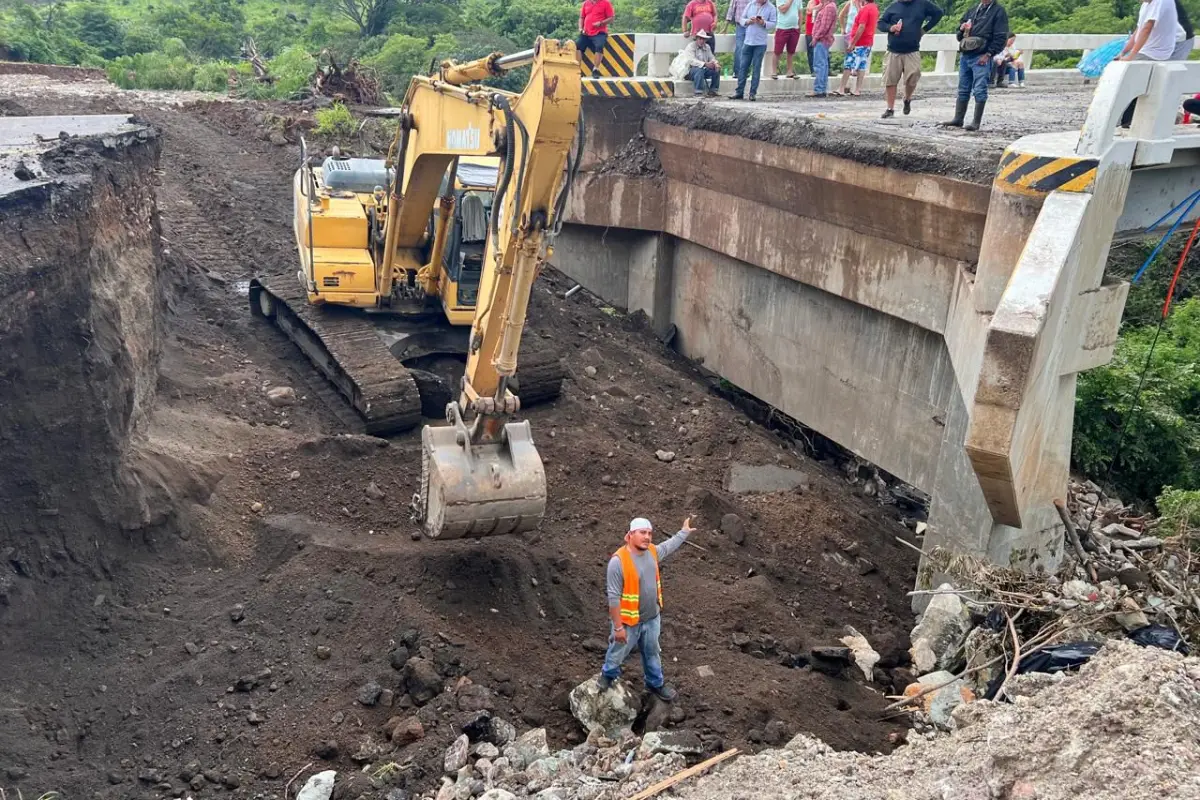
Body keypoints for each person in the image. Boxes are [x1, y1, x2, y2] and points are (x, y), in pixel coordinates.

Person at [598, 516, 695, 701]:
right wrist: (618, 628)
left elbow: (668, 546)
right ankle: (607, 675)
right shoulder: (619, 562)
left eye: (649, 533)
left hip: (651, 618)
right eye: (643, 533)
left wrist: (683, 533)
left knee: (652, 653)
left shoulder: (651, 551)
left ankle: (655, 684)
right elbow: (613, 598)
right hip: (628, 622)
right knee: (618, 652)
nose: (647, 537)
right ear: (630, 535)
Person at [941, 0, 1008, 131]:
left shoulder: (998, 11)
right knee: (963, 88)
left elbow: (1000, 37)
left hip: (982, 55)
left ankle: (975, 122)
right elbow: (959, 36)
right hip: (966, 54)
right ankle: (958, 119)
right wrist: (962, 29)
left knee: (980, 88)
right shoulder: (972, 10)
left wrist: (989, 54)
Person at [1116, 0, 1180, 127]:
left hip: (1154, 52)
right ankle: (1126, 121)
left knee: (1128, 85)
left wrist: (1132, 56)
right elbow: (1138, 31)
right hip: (1145, 49)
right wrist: (1124, 52)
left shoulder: (1161, 1)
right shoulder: (1146, 5)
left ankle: (1125, 122)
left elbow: (1147, 28)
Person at [877, 0, 944, 118]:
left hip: (912, 50)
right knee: (890, 80)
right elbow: (880, 23)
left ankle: (907, 99)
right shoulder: (894, 6)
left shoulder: (922, 4)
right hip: (893, 50)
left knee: (913, 77)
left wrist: (924, 29)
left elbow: (938, 13)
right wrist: (891, 28)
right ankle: (890, 108)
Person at [732, 0, 778, 100]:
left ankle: (752, 93)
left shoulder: (771, 8)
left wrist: (763, 22)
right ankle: (739, 92)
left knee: (756, 68)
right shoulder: (750, 4)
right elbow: (741, 19)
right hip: (748, 41)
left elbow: (773, 23)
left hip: (760, 42)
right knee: (743, 67)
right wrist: (749, 21)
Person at [837, 0, 877, 95]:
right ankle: (857, 90)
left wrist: (853, 43)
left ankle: (841, 88)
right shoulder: (874, 8)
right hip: (868, 40)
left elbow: (861, 27)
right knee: (862, 65)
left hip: (859, 41)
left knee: (848, 63)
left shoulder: (865, 9)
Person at [670, 29, 722, 96]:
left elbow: (711, 57)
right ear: (696, 39)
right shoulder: (691, 46)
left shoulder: (707, 47)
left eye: (703, 39)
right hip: (690, 71)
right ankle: (698, 92)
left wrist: (715, 63)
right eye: (700, 39)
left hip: (704, 69)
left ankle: (713, 90)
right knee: (699, 70)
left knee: (716, 69)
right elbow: (691, 60)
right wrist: (704, 64)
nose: (701, 41)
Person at [577, 0, 615, 78]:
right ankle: (577, 69)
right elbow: (581, 17)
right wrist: (580, 28)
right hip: (586, 32)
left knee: (599, 46)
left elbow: (611, 18)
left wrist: (601, 23)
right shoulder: (586, 3)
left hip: (599, 32)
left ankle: (595, 69)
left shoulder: (606, 3)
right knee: (578, 46)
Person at [809, 0, 838, 96]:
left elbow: (824, 26)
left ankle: (819, 89)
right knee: (823, 65)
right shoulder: (828, 6)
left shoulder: (829, 7)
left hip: (822, 40)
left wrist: (815, 38)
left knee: (819, 65)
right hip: (823, 40)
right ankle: (821, 89)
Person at [724, 0, 754, 82]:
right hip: (740, 26)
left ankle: (746, 72)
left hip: (751, 26)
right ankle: (737, 72)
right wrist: (725, 27)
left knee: (749, 49)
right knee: (739, 48)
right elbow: (731, 11)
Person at [774, 0, 803, 78]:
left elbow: (800, 12)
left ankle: (790, 71)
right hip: (782, 27)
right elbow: (783, 10)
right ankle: (774, 71)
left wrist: (799, 27)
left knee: (791, 51)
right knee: (777, 51)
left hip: (794, 28)